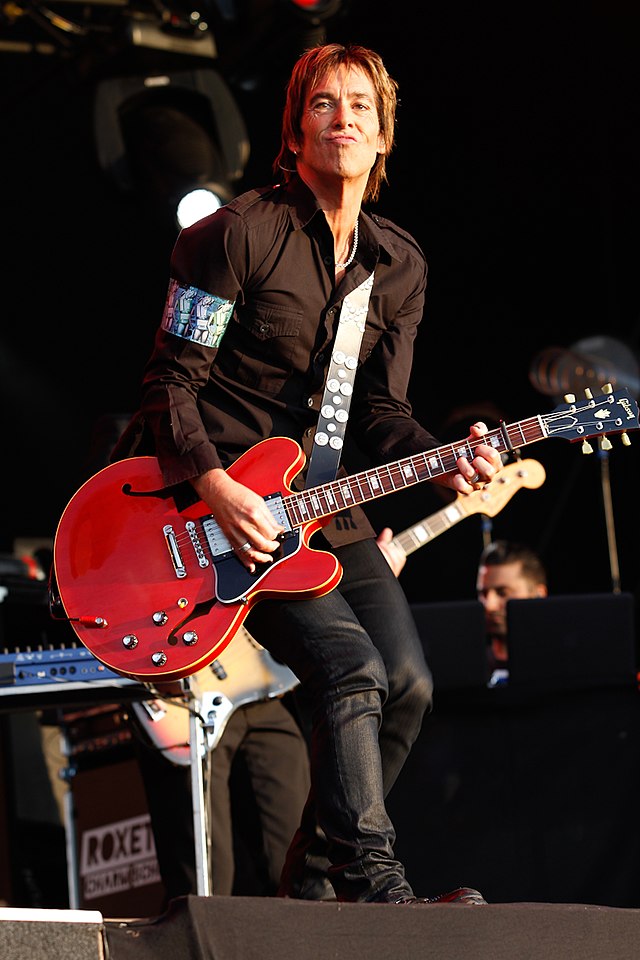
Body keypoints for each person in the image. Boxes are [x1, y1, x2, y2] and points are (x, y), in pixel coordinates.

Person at [112, 42, 502, 906]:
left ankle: (316, 882)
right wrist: (217, 485)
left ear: (384, 133)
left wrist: (445, 459)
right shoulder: (232, 235)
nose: (344, 118)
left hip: (324, 505)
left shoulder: (398, 265)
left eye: (361, 105)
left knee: (408, 683)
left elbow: (382, 414)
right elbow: (168, 384)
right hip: (220, 509)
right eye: (324, 103)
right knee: (350, 667)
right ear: (294, 130)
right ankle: (377, 885)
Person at [476, 539, 548, 682]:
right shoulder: (465, 663)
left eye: (502, 593)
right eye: (483, 594)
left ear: (539, 595)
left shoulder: (562, 661)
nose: (489, 605)